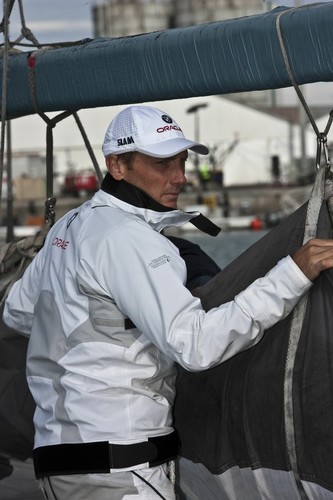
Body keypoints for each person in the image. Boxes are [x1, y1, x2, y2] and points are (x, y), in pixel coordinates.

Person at [3, 105, 333, 500]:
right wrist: (291, 273)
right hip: (120, 470)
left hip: (63, 467)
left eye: (181, 160)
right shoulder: (129, 239)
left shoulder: (71, 225)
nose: (179, 176)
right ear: (117, 166)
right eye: (162, 163)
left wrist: (106, 329)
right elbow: (196, 346)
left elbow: (18, 312)